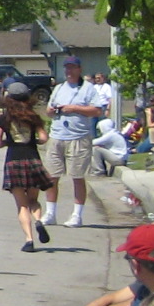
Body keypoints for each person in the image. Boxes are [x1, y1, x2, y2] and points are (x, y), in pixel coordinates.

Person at [43, 57, 106, 229]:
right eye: (66, 68)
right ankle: (50, 213)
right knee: (52, 176)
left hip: (78, 138)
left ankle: (77, 215)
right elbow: (49, 111)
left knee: (77, 176)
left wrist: (75, 108)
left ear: (79, 69)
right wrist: (52, 110)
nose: (68, 71)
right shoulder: (59, 88)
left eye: (72, 68)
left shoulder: (88, 89)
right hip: (57, 136)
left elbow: (97, 110)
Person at [0, 83, 51, 253]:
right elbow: (44, 137)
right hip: (32, 159)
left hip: (14, 161)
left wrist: (8, 142)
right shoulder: (33, 116)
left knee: (22, 205)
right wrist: (33, 140)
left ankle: (29, 239)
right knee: (33, 200)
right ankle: (39, 220)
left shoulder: (4, 118)